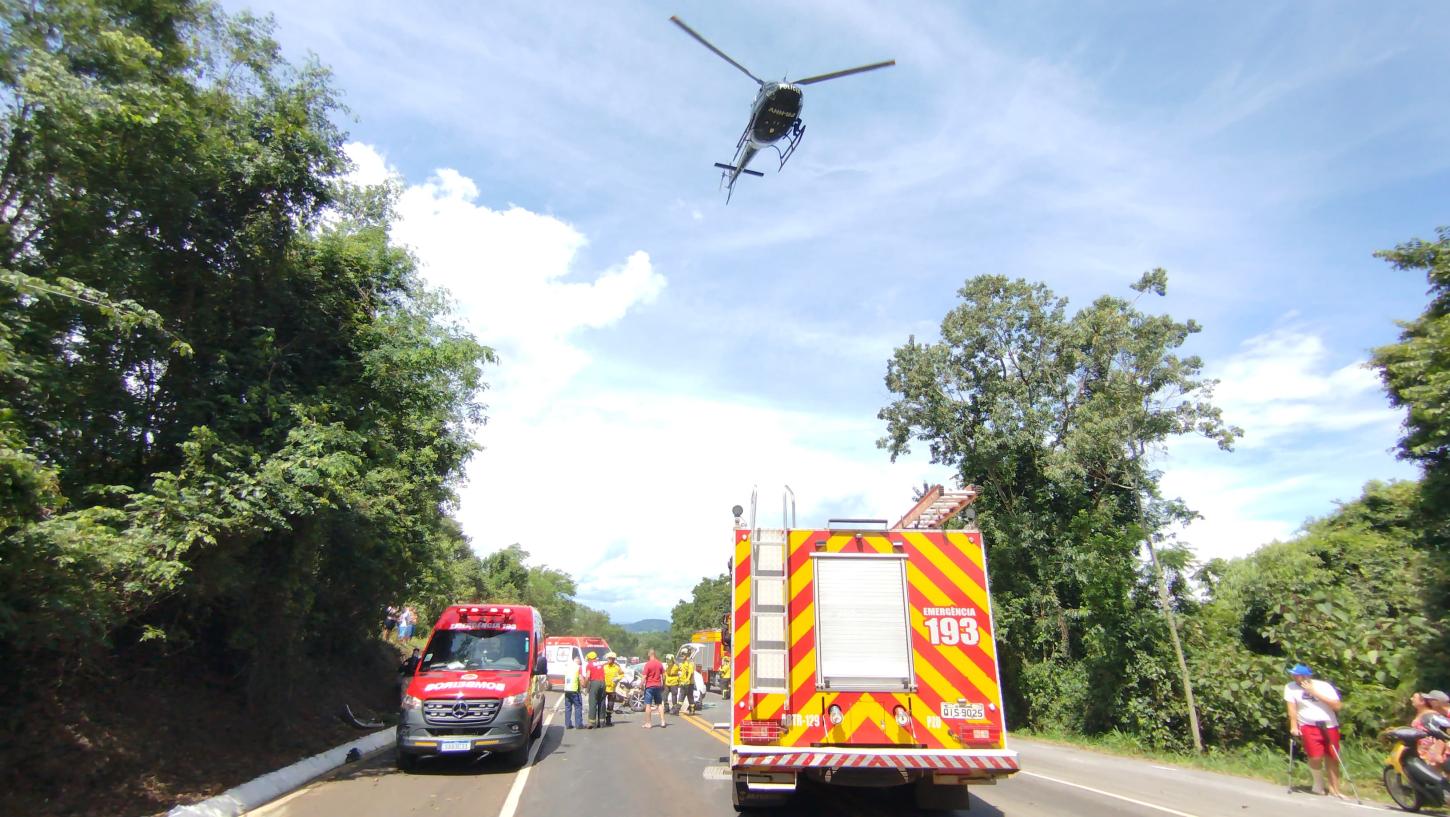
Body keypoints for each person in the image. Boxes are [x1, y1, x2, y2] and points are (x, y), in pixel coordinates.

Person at [1284, 663, 1343, 797]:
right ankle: (1318, 783)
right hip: (1308, 724)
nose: (1294, 677)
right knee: (1315, 756)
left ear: (1306, 676)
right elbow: (1292, 708)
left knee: (1332, 756)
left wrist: (1314, 692)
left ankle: (1335, 789)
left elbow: (1337, 706)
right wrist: (1294, 726)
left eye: (1297, 675)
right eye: (1293, 674)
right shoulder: (1290, 687)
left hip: (1329, 724)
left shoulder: (1324, 686)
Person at [1409, 692, 1447, 768]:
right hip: (1421, 749)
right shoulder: (1420, 714)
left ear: (1422, 701)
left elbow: (1440, 734)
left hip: (1431, 750)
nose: (1411, 699)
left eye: (1414, 697)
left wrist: (1437, 753)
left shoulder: (1431, 715)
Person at [642, 649, 666, 729]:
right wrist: (663, 684)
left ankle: (648, 723)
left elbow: (644, 676)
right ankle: (663, 722)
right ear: (655, 654)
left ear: (649, 654)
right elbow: (664, 675)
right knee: (659, 704)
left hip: (649, 686)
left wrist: (640, 685)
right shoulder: (659, 664)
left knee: (648, 705)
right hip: (658, 686)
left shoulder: (648, 664)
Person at [562, 653, 585, 729]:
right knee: (578, 707)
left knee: (568, 707)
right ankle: (579, 724)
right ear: (578, 661)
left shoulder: (567, 667)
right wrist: (584, 686)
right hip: (575, 690)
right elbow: (580, 678)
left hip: (567, 690)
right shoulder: (578, 667)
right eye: (580, 662)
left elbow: (564, 677)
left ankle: (568, 724)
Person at [585, 651, 607, 728]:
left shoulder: (589, 665)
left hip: (595, 683)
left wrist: (585, 685)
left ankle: (592, 722)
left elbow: (588, 676)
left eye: (588, 659)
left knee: (593, 702)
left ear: (590, 659)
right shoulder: (600, 664)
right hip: (603, 683)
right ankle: (602, 722)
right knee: (602, 701)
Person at [602, 652, 624, 726]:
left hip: (612, 689)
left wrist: (618, 678)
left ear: (614, 659)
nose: (610, 660)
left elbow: (622, 674)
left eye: (612, 659)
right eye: (609, 658)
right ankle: (601, 719)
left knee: (610, 705)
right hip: (604, 688)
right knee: (602, 704)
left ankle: (608, 720)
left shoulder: (617, 667)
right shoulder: (604, 666)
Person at [677, 650, 697, 715]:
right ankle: (677, 709)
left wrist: (687, 681)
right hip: (684, 682)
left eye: (683, 654)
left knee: (689, 696)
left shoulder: (690, 662)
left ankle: (692, 710)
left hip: (689, 683)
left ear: (687, 654)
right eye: (682, 654)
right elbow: (682, 671)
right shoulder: (683, 662)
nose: (682, 655)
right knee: (682, 695)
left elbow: (690, 673)